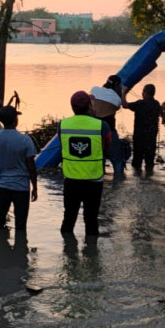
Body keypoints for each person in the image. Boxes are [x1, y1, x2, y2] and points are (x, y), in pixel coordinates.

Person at [59, 91, 111, 238]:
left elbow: (62, 145)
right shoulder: (102, 126)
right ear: (89, 105)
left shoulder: (63, 125)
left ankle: (68, 253)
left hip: (71, 178)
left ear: (72, 107)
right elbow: (107, 147)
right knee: (92, 220)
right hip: (94, 179)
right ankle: (92, 254)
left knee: (69, 218)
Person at [0, 105, 38, 230]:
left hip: (1, 187)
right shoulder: (25, 140)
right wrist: (35, 187)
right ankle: (20, 247)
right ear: (15, 120)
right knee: (21, 226)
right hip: (21, 188)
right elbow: (31, 167)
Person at [123, 83, 163, 174]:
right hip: (151, 138)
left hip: (139, 137)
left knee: (137, 163)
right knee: (149, 163)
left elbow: (124, 105)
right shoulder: (156, 104)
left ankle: (138, 178)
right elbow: (161, 113)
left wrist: (123, 93)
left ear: (145, 93)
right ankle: (149, 175)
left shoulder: (140, 103)